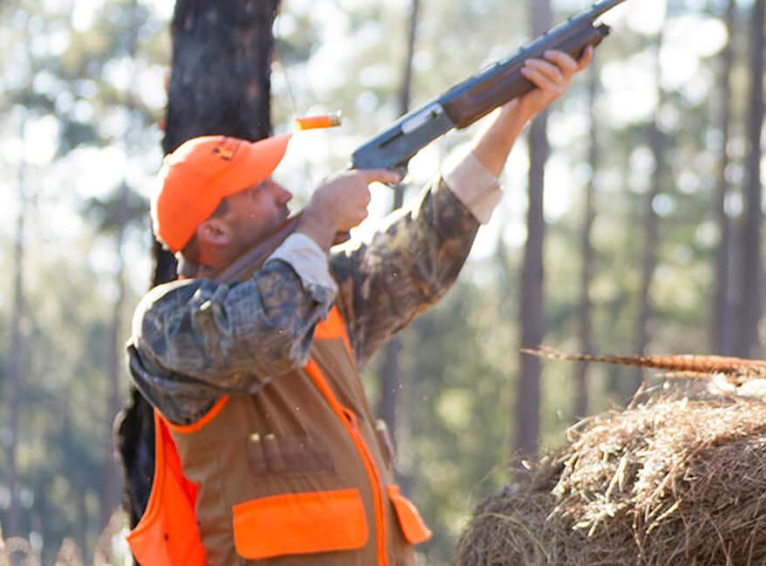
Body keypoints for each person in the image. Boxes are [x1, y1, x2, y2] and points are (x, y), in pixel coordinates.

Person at [124, 48, 588, 565]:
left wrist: (514, 113)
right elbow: (265, 330)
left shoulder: (318, 287)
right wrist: (318, 222)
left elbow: (425, 247)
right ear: (214, 230)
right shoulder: (169, 323)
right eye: (258, 188)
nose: (283, 192)